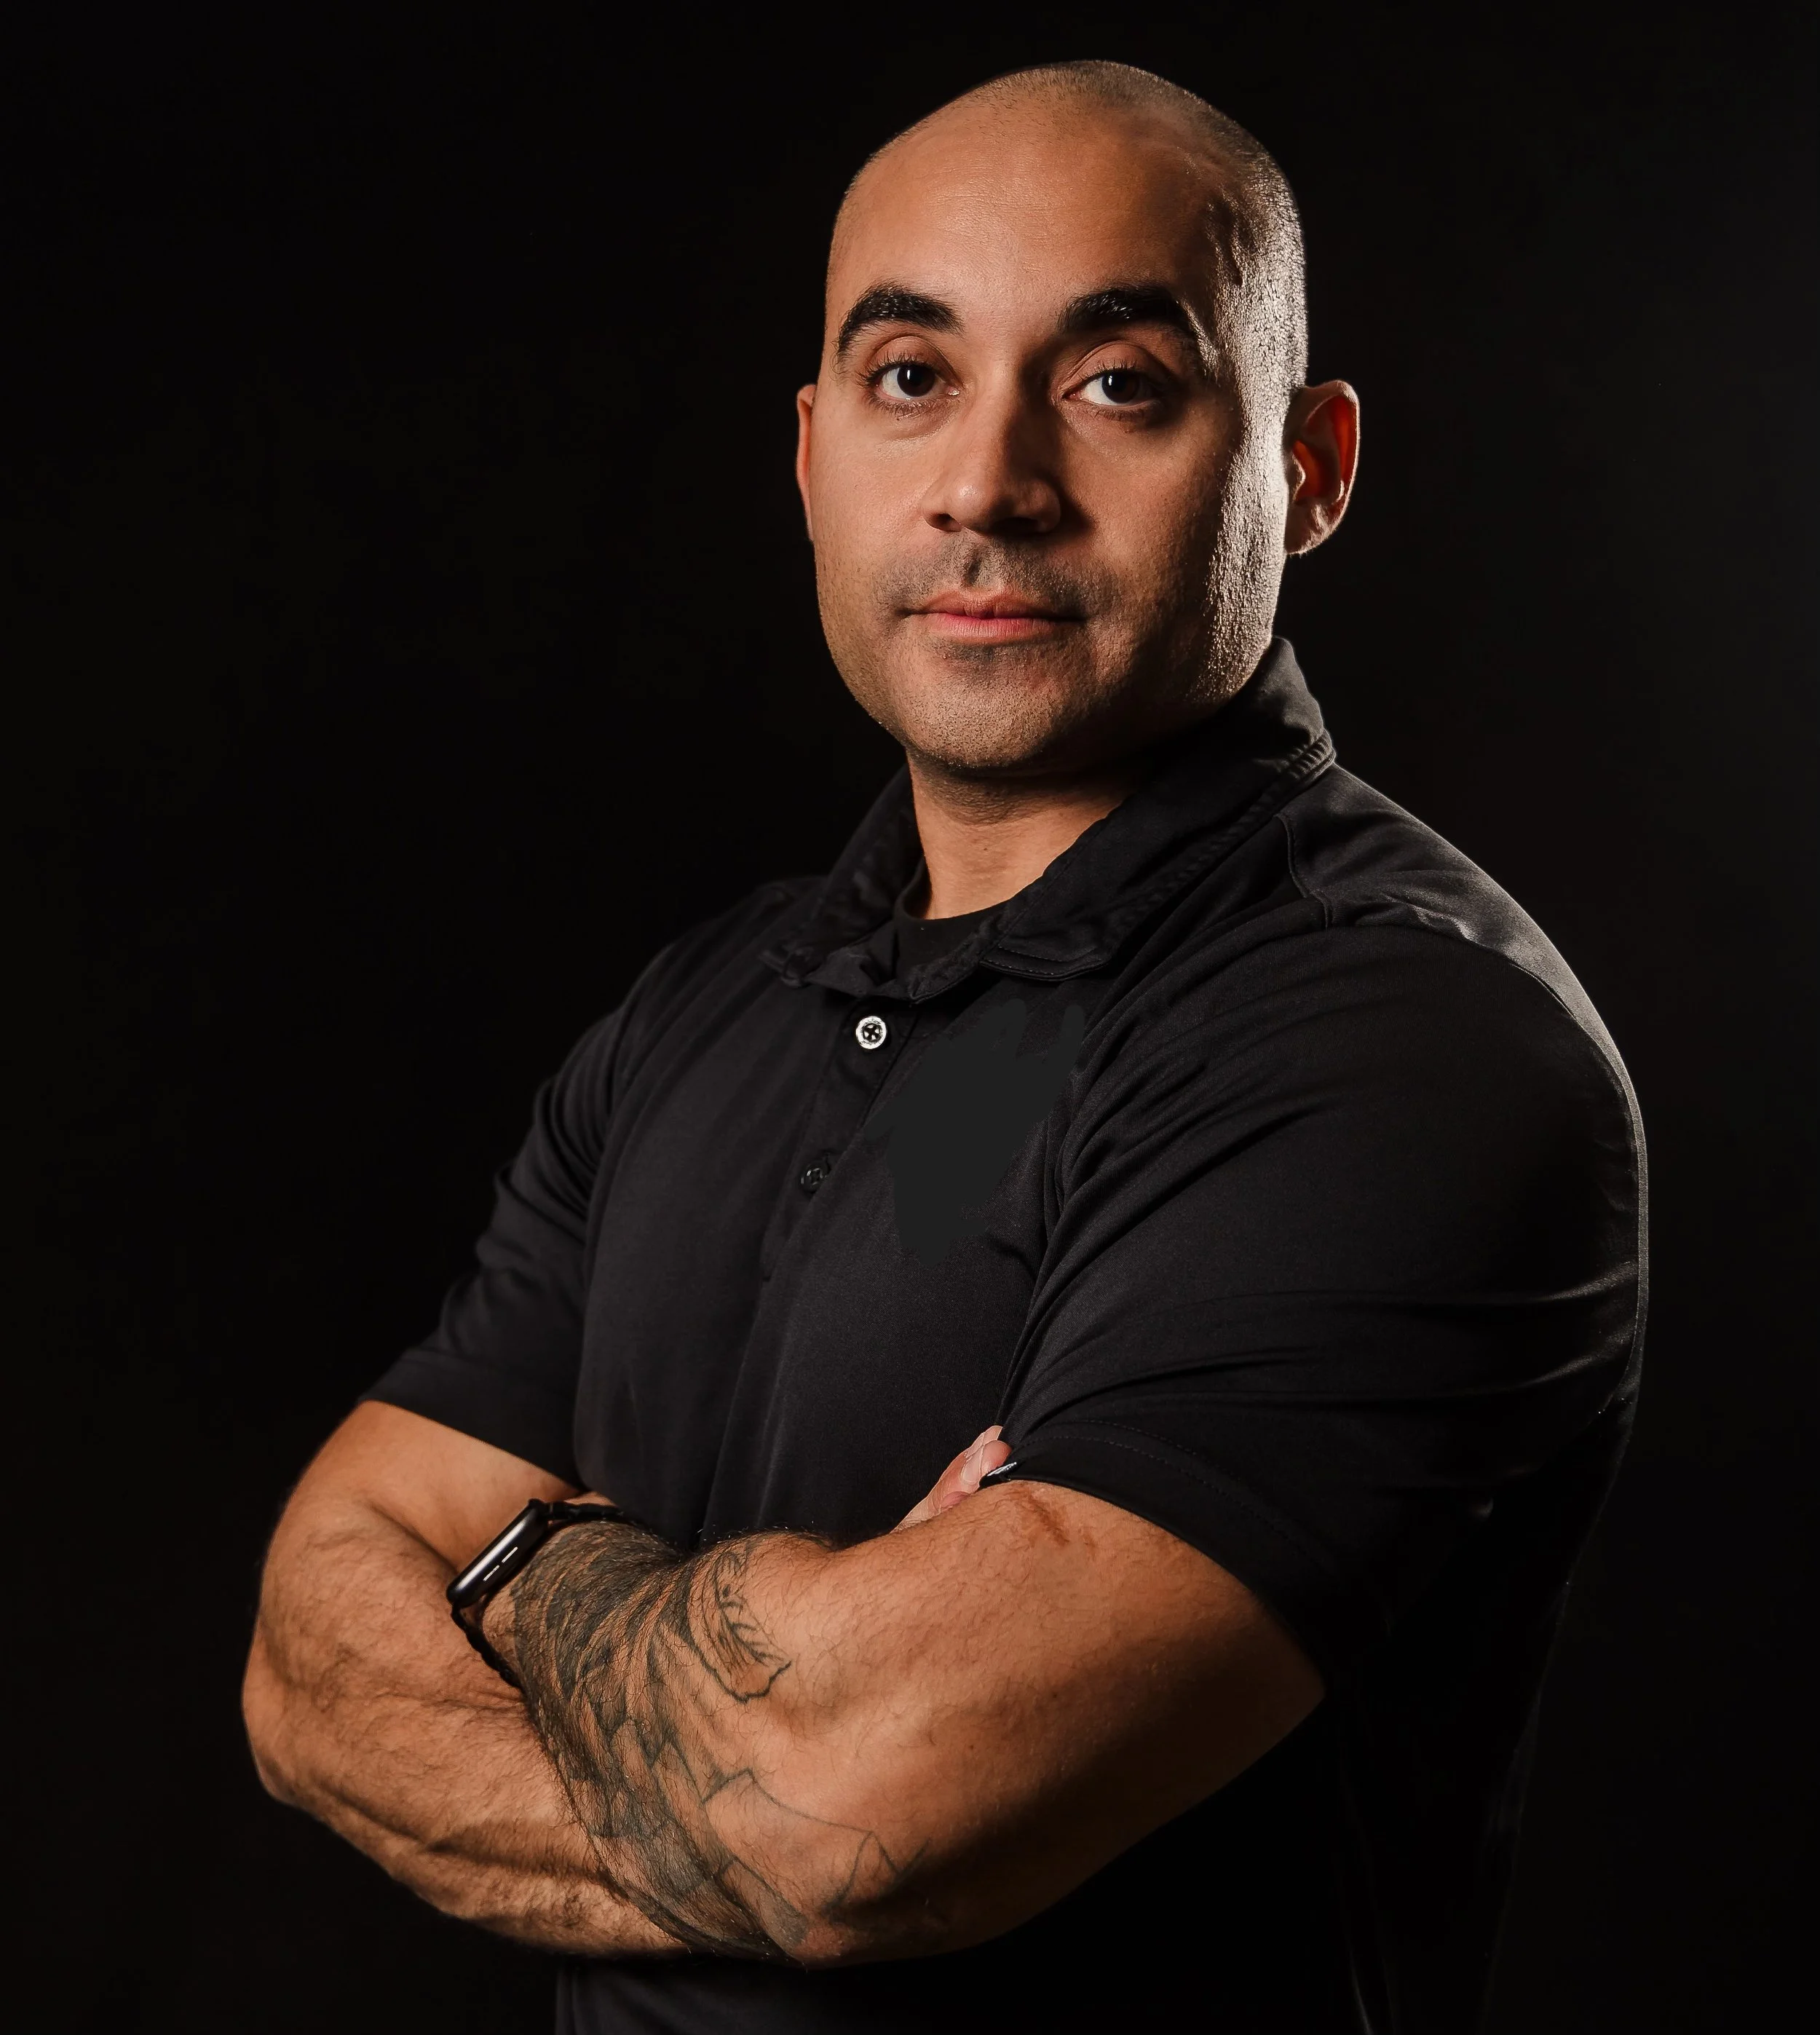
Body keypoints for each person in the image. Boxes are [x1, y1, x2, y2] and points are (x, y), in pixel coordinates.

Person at [242, 59, 1645, 2035]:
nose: (987, 483)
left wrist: (525, 1572)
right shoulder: (703, 1006)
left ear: (1309, 465)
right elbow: (306, 1660)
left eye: (1117, 385)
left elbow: (865, 1823)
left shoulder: (1404, 1045)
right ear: (813, 453)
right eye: (911, 377)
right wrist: (754, 1757)